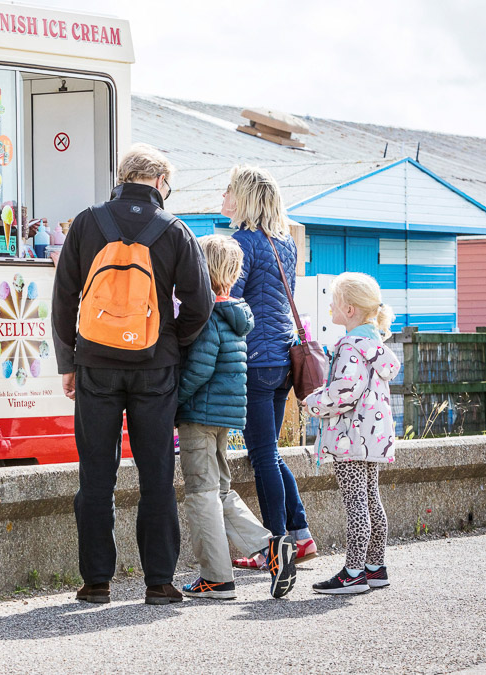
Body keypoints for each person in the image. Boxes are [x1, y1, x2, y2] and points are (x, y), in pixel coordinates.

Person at [52, 144, 213, 606]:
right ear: (160, 182)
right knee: (157, 475)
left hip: (96, 366)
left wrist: (70, 363)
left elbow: (64, 300)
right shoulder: (175, 231)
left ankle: (96, 583)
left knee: (96, 476)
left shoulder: (87, 223)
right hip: (155, 369)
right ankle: (159, 583)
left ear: (123, 177)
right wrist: (170, 343)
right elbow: (199, 305)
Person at [176, 235, 296, 600]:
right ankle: (270, 549)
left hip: (199, 414)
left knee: (201, 494)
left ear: (202, 269)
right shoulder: (238, 312)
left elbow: (199, 370)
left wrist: (173, 402)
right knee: (221, 490)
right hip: (225, 416)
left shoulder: (208, 317)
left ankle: (216, 577)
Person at [223, 165, 317, 573]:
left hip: (255, 362)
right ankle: (301, 534)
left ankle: (276, 549)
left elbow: (232, 302)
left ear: (243, 198)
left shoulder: (240, 243)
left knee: (262, 456)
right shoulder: (285, 243)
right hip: (282, 359)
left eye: (227, 191)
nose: (222, 198)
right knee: (271, 453)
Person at [304, 272, 400, 594]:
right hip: (373, 435)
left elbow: (346, 390)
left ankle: (354, 572)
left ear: (349, 310)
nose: (329, 305)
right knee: (372, 498)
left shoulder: (349, 345)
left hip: (349, 437)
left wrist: (314, 403)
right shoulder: (375, 346)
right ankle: (376, 566)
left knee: (355, 502)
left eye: (334, 301)